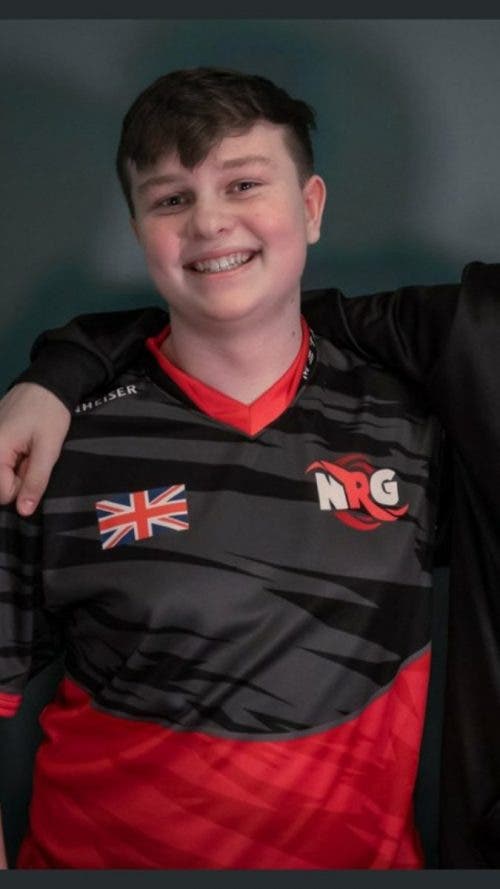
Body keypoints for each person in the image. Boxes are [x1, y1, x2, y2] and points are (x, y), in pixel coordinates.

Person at [0, 66, 498, 869]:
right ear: (137, 228)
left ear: (311, 207)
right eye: (171, 199)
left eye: (242, 184)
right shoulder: (51, 441)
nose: (209, 221)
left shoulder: (415, 425)